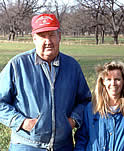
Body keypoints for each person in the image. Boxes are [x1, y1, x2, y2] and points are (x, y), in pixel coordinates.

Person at [0, 13, 91, 151]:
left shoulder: (72, 66)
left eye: (52, 35)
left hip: (63, 146)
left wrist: (73, 121)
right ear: (34, 38)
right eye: (42, 35)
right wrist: (21, 122)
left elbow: (86, 101)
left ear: (59, 36)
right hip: (27, 145)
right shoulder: (18, 65)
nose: (48, 41)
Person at [74, 60, 124, 151]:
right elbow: (81, 140)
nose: (113, 83)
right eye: (109, 79)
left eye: (117, 79)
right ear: (103, 82)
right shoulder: (91, 109)